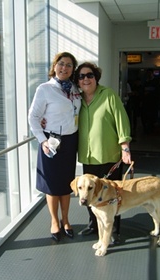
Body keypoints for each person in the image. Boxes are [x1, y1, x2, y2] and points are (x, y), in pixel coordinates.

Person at [74, 62, 132, 242]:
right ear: (77, 80)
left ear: (96, 77)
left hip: (108, 154)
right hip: (88, 156)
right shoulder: (77, 100)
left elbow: (121, 120)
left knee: (112, 196)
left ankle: (113, 229)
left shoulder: (108, 95)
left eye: (89, 75)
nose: (86, 79)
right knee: (88, 194)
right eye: (81, 76)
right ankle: (94, 224)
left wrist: (125, 147)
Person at [28, 52, 81, 242]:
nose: (64, 68)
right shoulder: (44, 89)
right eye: (61, 64)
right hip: (51, 141)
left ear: (73, 69)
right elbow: (33, 117)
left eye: (69, 65)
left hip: (70, 141)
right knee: (51, 185)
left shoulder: (75, 88)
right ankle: (54, 221)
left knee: (66, 184)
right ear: (54, 66)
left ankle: (66, 220)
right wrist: (42, 140)